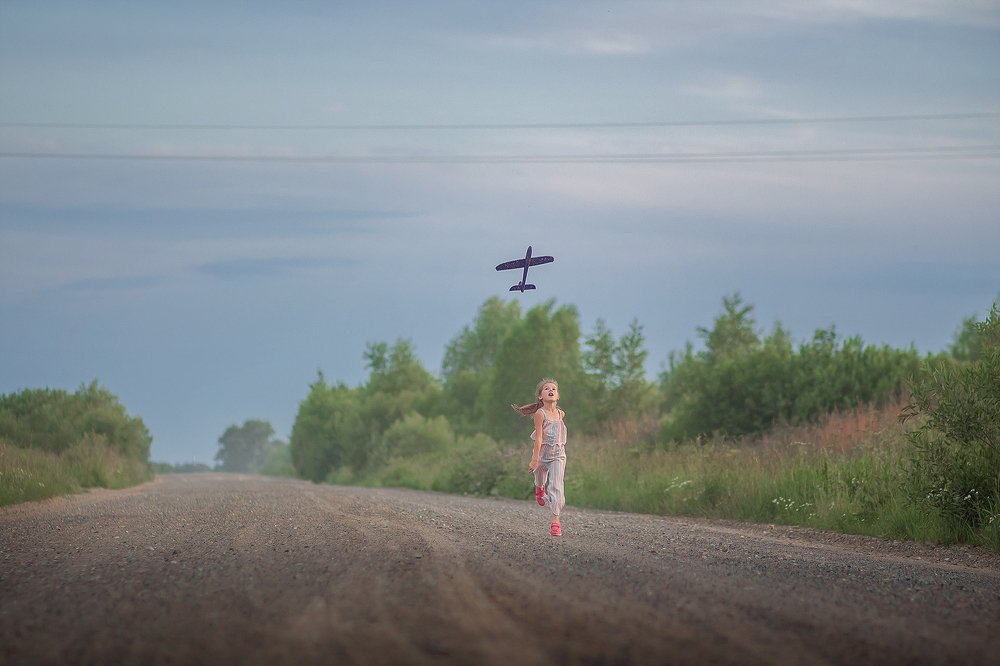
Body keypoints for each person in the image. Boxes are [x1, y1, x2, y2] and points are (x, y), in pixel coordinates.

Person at [511, 378, 568, 536]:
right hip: (542, 454)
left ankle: (555, 521)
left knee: (557, 485)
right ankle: (539, 488)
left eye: (554, 389)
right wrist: (535, 459)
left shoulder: (561, 414)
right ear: (541, 396)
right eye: (546, 389)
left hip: (558, 455)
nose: (551, 390)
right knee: (540, 476)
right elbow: (539, 439)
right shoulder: (540, 414)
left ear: (558, 395)